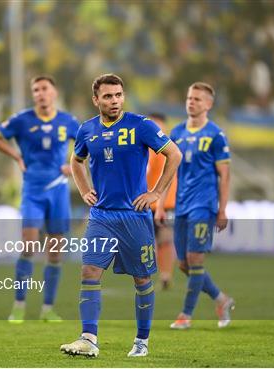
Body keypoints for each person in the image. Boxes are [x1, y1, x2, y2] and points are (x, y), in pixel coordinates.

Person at [60, 74, 181, 358]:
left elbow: (174, 154)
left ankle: (142, 341)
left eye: (118, 95)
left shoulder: (141, 125)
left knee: (141, 280)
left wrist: (156, 193)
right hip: (101, 215)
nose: (114, 101)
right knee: (89, 271)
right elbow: (76, 161)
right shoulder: (87, 130)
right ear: (96, 100)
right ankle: (89, 338)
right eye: (107, 96)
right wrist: (84, 189)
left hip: (134, 215)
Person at [0, 76, 80, 323]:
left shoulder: (68, 121)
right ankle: (18, 305)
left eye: (44, 89)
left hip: (59, 191)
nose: (39, 93)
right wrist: (16, 157)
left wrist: (74, 165)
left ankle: (48, 309)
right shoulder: (22, 119)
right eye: (35, 90)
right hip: (33, 191)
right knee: (28, 245)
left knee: (56, 253)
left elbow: (89, 146)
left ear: (54, 92)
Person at [157, 82, 235, 330]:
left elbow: (225, 175)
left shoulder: (215, 135)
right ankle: (221, 299)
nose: (192, 102)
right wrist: (160, 204)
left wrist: (222, 209)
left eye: (198, 99)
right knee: (184, 264)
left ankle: (185, 315)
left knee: (195, 259)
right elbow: (169, 173)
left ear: (208, 105)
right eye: (190, 98)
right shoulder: (177, 133)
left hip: (204, 205)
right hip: (181, 205)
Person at [146, 112, 177, 290]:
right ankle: (158, 274)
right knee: (152, 241)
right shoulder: (149, 147)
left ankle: (165, 276)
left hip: (167, 202)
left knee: (164, 239)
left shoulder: (166, 146)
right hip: (149, 202)